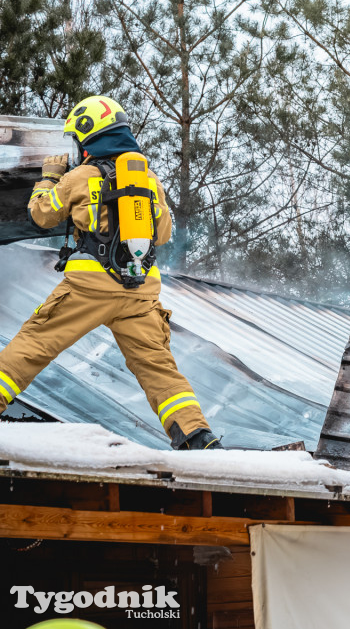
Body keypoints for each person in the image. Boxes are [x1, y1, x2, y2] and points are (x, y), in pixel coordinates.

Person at [0, 95, 222, 450]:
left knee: (34, 343)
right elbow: (163, 235)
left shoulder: (81, 176)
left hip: (89, 289)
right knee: (159, 369)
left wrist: (49, 178)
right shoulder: (148, 180)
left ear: (89, 136)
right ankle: (198, 437)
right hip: (140, 291)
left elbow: (41, 215)